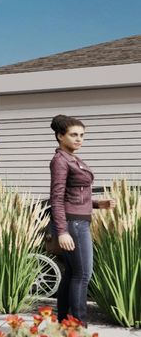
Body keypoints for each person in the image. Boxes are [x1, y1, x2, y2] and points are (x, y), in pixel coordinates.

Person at [48, 114, 115, 325]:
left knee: (72, 273)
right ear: (60, 136)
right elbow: (57, 198)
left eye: (82, 135)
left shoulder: (73, 158)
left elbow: (75, 194)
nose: (79, 139)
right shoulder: (60, 160)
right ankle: (78, 326)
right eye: (74, 135)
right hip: (73, 224)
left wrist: (97, 204)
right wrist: (62, 231)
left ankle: (64, 323)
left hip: (78, 220)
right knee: (83, 274)